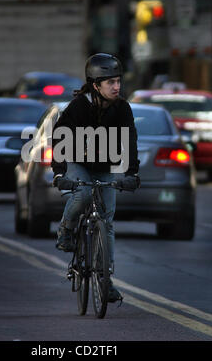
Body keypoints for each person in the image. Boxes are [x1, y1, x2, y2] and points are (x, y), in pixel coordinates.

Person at [51, 53, 140, 302]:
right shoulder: (79, 107)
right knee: (83, 193)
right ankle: (66, 230)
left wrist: (132, 174)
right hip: (78, 162)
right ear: (95, 85)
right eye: (110, 82)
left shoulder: (122, 108)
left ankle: (105, 280)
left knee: (107, 222)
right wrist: (59, 172)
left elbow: (130, 141)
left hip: (106, 165)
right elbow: (59, 138)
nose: (117, 87)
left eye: (118, 81)